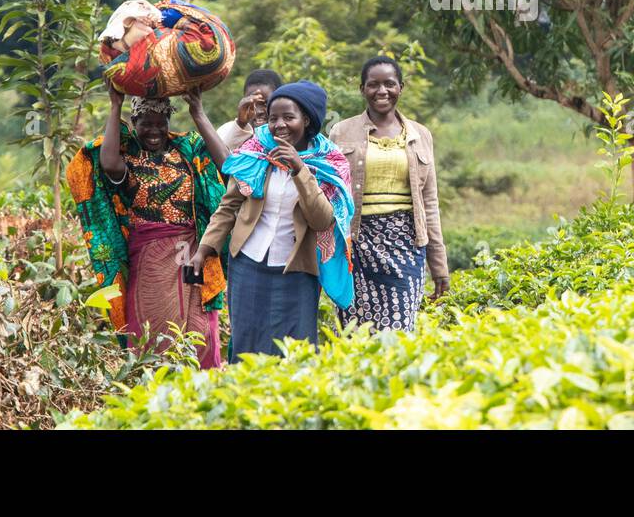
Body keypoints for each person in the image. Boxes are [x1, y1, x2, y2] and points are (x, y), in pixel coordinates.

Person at [66, 87, 231, 369]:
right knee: (152, 326)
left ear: (168, 123)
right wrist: (115, 105)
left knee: (198, 327)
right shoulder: (128, 158)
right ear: (134, 124)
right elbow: (107, 163)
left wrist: (199, 114)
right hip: (150, 258)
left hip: (193, 254)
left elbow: (228, 165)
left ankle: (201, 394)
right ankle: (154, 396)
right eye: (146, 124)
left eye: (160, 123)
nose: (154, 131)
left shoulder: (188, 150)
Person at [191, 80, 355, 360]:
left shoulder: (328, 162)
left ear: (306, 119)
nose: (279, 125)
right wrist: (204, 250)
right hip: (248, 264)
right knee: (246, 343)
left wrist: (299, 169)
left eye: (288, 117)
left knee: (294, 349)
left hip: (297, 271)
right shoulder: (256, 153)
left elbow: (321, 220)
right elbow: (229, 206)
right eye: (273, 117)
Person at [330, 55, 448, 333]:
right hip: (356, 244)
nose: (381, 91)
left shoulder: (420, 134)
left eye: (389, 84)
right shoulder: (340, 131)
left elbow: (429, 203)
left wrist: (439, 266)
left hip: (407, 245)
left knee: (399, 329)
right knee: (356, 332)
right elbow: (329, 193)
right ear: (363, 89)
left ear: (401, 87)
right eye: (373, 85)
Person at [216, 68, 283, 152]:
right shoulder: (225, 130)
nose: (258, 111)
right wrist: (241, 124)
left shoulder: (287, 133)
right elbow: (221, 160)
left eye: (265, 104)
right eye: (252, 104)